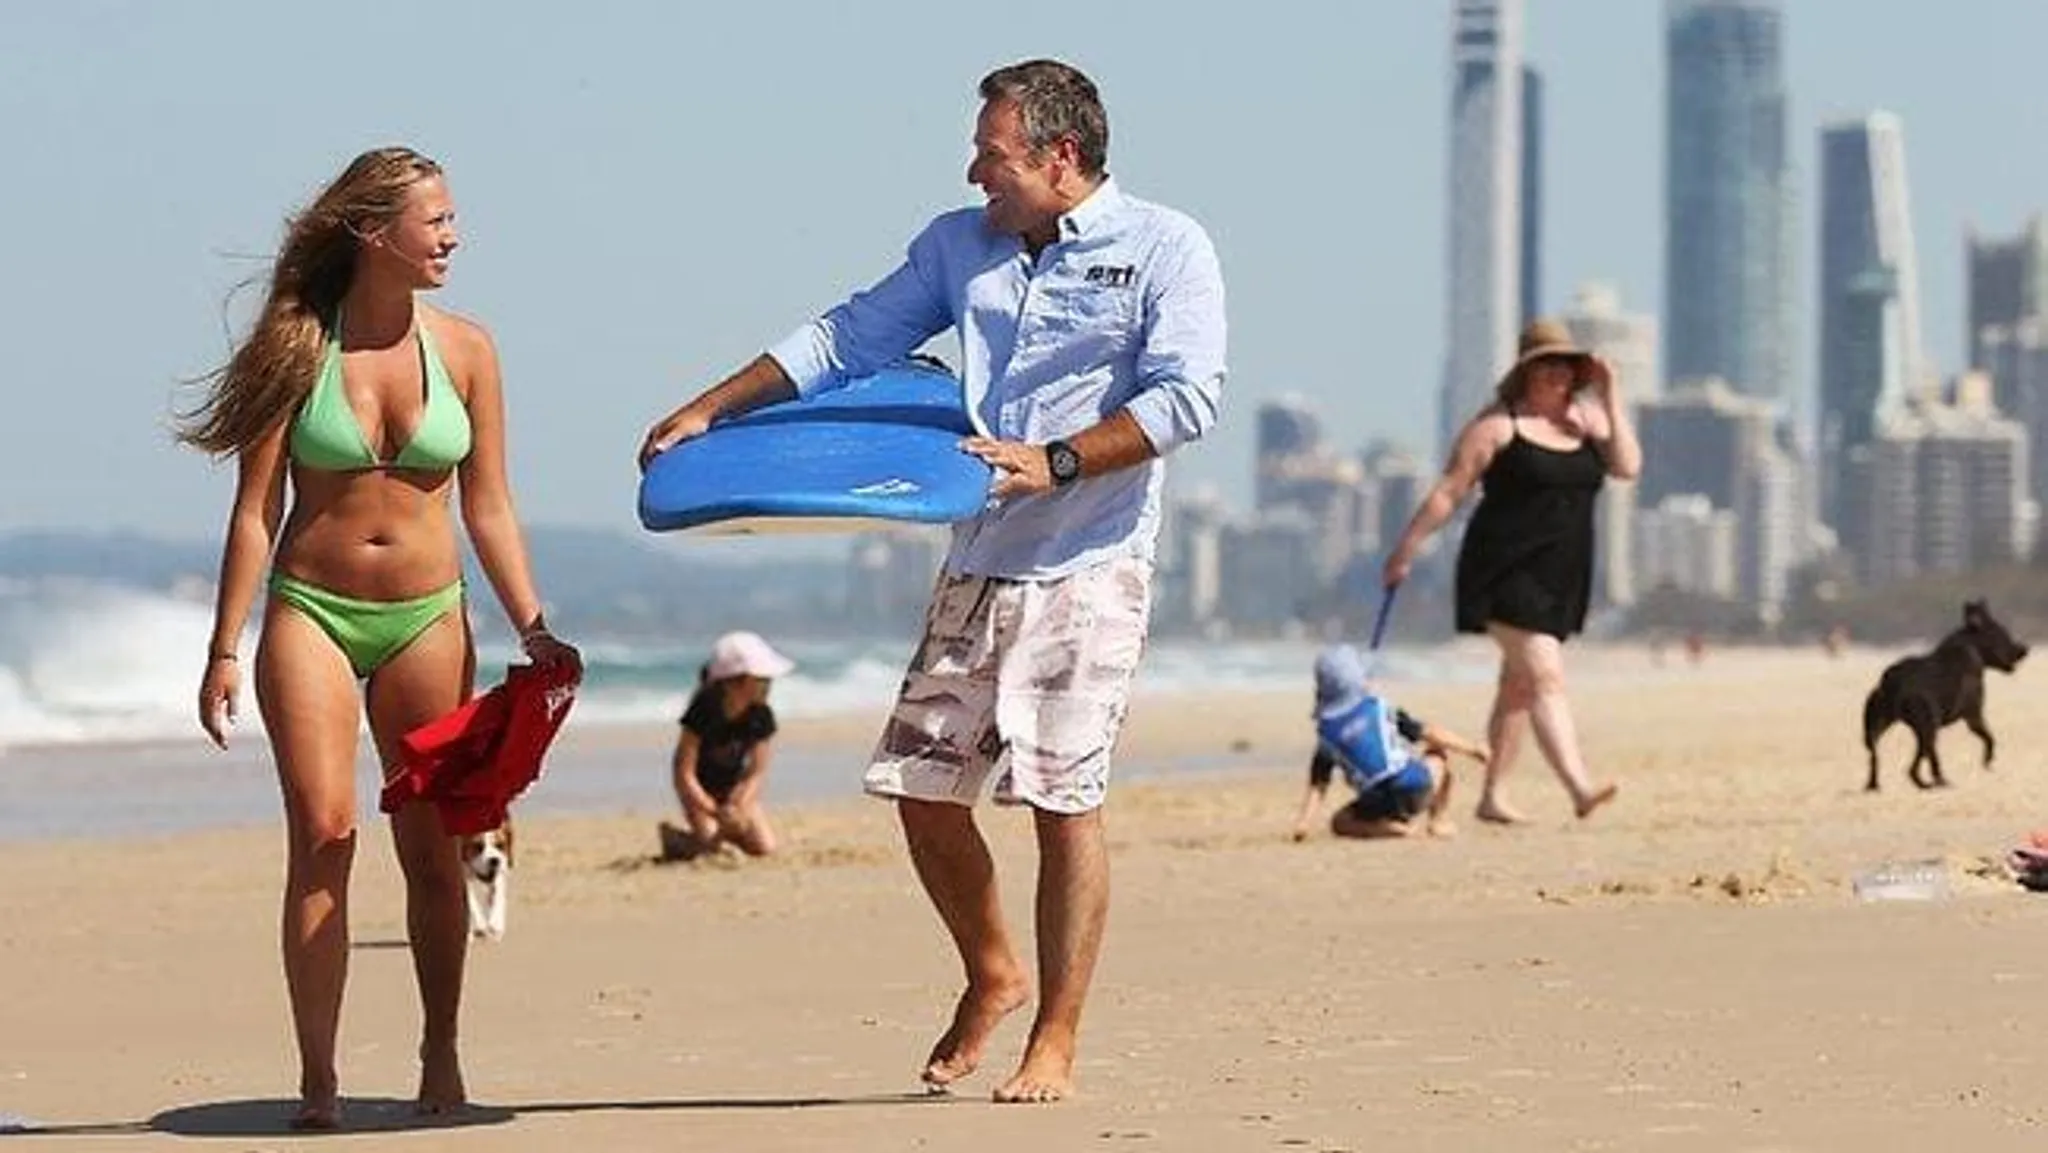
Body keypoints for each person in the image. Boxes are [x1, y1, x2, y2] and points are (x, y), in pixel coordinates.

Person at [639, 59, 1226, 1103]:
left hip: (1091, 556)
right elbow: (845, 336)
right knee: (919, 790)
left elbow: (1185, 399)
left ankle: (1055, 1033)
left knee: (1060, 798)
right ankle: (991, 968)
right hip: (979, 550)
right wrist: (709, 411)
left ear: (1059, 155)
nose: (973, 171)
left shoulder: (1163, 248)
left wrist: (1052, 459)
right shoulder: (961, 247)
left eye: (991, 153)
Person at [177, 146, 580, 1129]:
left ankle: (439, 1049)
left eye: (450, 218)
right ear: (372, 231)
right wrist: (226, 645)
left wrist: (533, 622)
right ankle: (318, 1075)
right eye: (434, 219)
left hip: (427, 615)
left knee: (432, 849)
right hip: (310, 608)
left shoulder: (470, 350)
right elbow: (254, 512)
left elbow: (487, 506)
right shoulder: (295, 346)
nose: (453, 235)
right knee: (324, 834)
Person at [1383, 319, 1639, 825]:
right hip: (1502, 568)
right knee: (1544, 674)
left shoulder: (1586, 422)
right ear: (1525, 372)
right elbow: (1449, 492)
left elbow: (1627, 466)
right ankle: (1579, 786)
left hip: (1560, 573)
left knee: (1518, 686)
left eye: (1567, 368)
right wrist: (1406, 549)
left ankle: (1492, 796)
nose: (1557, 378)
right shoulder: (1498, 425)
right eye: (1546, 367)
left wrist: (1611, 396)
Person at [1291, 645, 1486, 841]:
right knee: (1438, 756)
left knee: (1340, 822)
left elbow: (1318, 784)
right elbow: (1429, 733)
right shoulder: (1380, 709)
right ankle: (1438, 821)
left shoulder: (1328, 735)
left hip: (1376, 802)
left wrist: (1304, 823)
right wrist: (1473, 749)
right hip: (1415, 786)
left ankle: (1387, 827)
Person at [659, 631, 793, 860]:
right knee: (712, 846)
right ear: (736, 682)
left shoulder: (761, 715)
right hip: (699, 792)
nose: (769, 684)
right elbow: (684, 773)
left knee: (764, 848)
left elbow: (756, 772)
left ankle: (726, 831)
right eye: (762, 678)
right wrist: (710, 808)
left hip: (734, 790)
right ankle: (678, 840)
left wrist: (739, 804)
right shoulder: (703, 711)